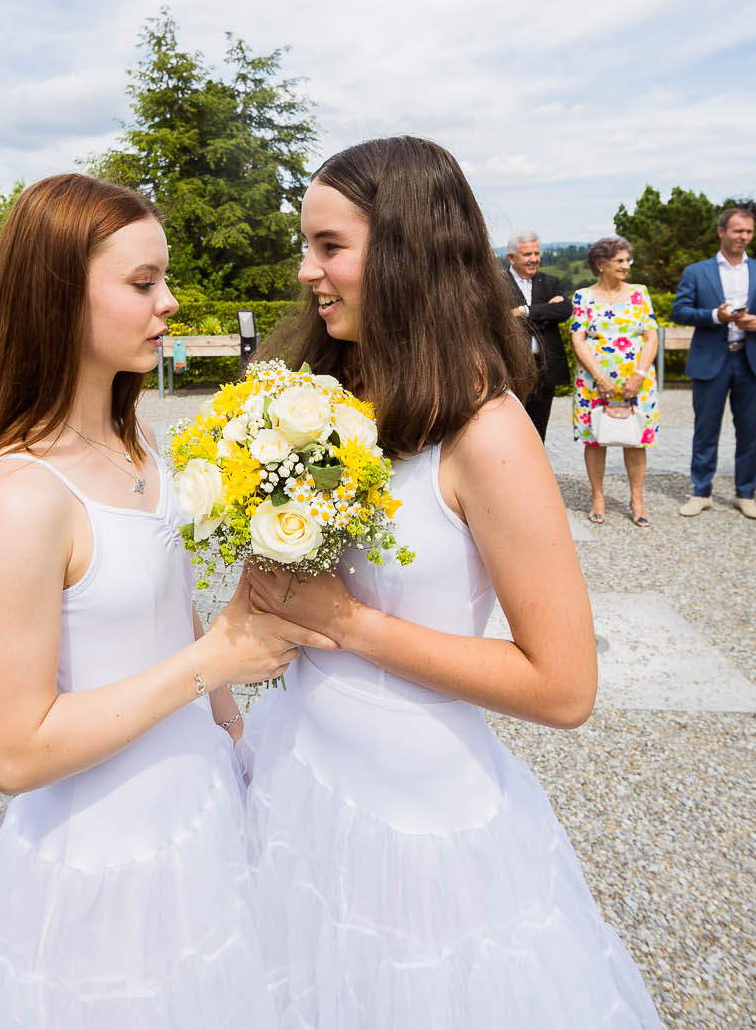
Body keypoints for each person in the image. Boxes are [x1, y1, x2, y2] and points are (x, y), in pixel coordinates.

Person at [239, 135, 660, 1027]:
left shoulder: (487, 431)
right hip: (303, 768)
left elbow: (564, 684)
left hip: (415, 823)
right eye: (305, 245)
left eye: (329, 246)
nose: (307, 271)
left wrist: (350, 624)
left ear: (405, 250)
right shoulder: (333, 391)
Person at [0, 173, 318, 1028]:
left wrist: (230, 725)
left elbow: (177, 605)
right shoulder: (18, 492)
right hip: (106, 852)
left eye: (165, 278)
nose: (171, 301)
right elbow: (15, 751)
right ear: (58, 298)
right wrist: (210, 664)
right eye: (143, 283)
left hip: (197, 806)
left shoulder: (136, 438)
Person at [672, 206, 756, 519]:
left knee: (750, 431)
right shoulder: (697, 271)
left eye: (748, 232)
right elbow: (679, 311)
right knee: (705, 430)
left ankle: (745, 494)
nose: (744, 237)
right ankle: (701, 492)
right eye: (738, 231)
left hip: (750, 360)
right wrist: (714, 316)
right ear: (722, 232)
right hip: (711, 359)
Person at [568, 235, 659, 526]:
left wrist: (639, 375)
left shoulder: (640, 293)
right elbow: (577, 337)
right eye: (619, 261)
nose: (626, 266)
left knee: (636, 440)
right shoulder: (583, 295)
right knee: (595, 439)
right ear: (600, 264)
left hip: (637, 379)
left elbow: (651, 335)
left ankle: (637, 501)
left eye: (627, 260)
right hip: (594, 379)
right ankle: (598, 496)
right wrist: (599, 378)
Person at [502, 230, 570, 440]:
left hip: (544, 367)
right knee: (509, 428)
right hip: (510, 367)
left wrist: (525, 311)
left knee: (538, 429)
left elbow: (564, 310)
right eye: (527, 254)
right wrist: (544, 312)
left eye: (537, 253)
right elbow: (501, 318)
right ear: (512, 257)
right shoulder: (498, 283)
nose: (534, 259)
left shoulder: (550, 282)